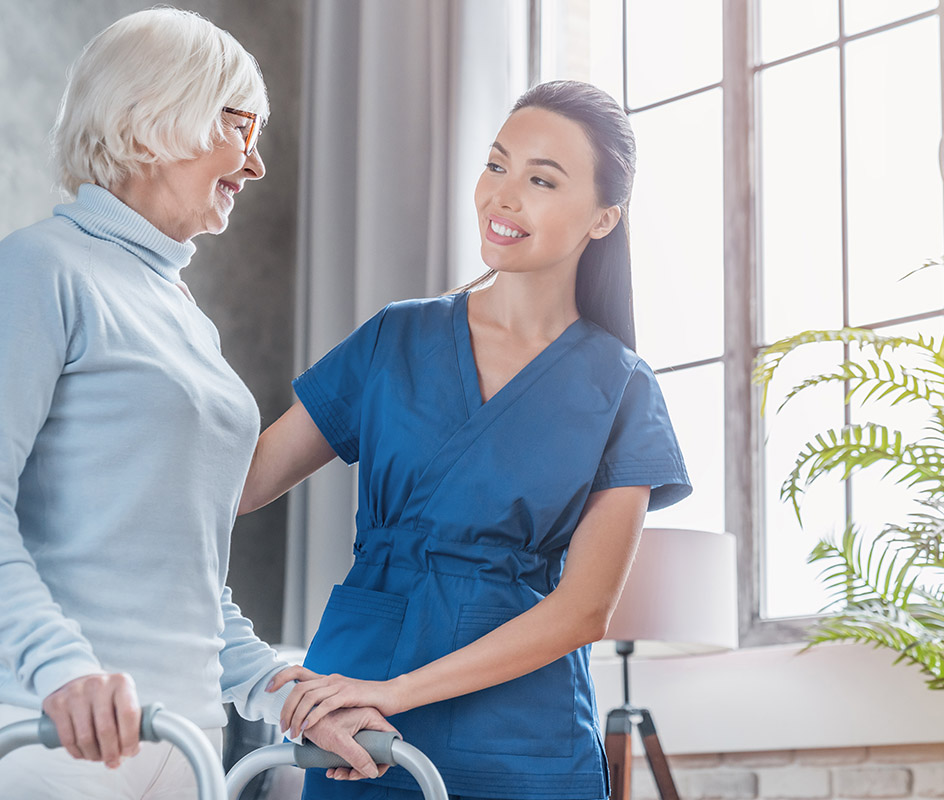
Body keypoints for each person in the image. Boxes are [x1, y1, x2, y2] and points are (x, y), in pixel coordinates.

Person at [237, 79, 692, 798]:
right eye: (496, 165)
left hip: (519, 732)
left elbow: (583, 610)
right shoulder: (396, 337)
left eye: (541, 179)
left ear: (604, 219)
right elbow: (245, 482)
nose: (502, 197)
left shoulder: (623, 388)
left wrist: (398, 691)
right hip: (355, 725)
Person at [0, 8, 391, 798]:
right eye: (241, 126)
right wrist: (63, 671)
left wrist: (284, 694)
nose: (255, 166)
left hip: (188, 743)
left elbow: (188, 579)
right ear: (155, 114)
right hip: (56, 735)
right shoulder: (41, 270)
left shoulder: (185, 318)